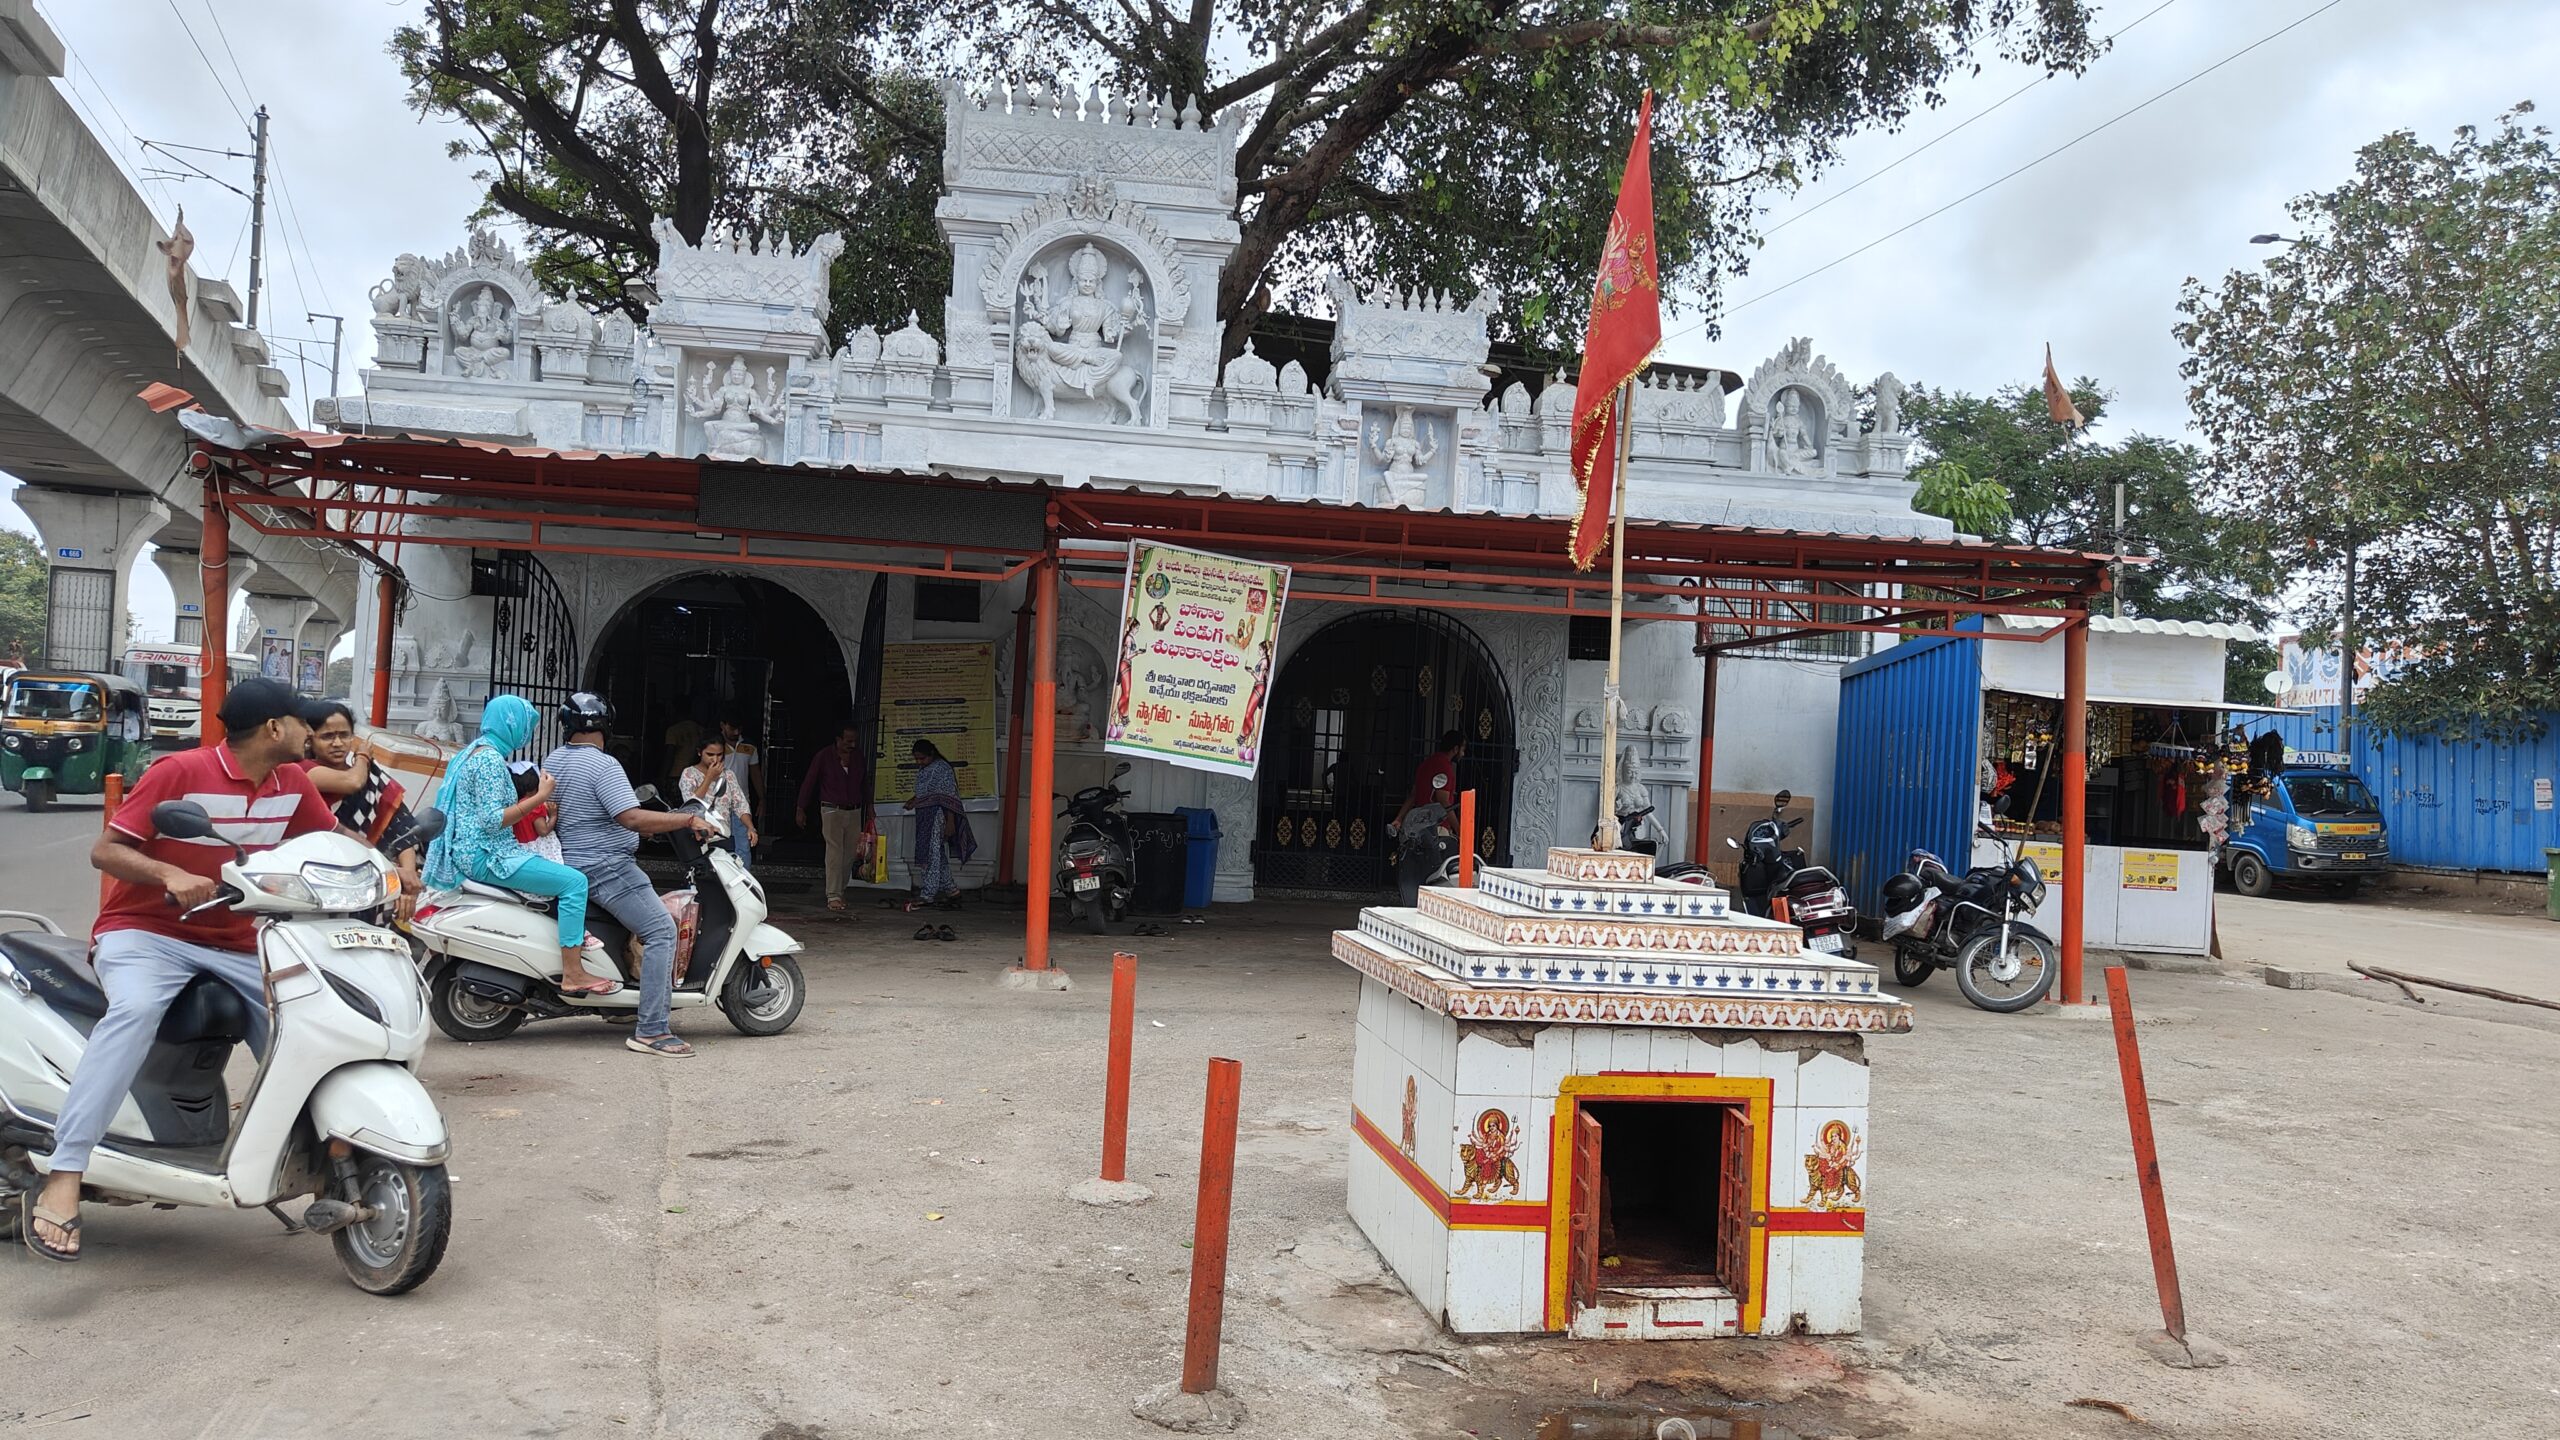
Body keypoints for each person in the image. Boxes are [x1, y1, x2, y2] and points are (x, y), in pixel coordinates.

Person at [28, 678, 343, 1262]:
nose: (314, 732)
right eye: (305, 722)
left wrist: (390, 868)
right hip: (149, 934)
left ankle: (334, 1156)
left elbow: (330, 841)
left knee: (311, 1025)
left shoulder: (292, 782)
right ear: (275, 728)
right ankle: (65, 1172)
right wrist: (170, 876)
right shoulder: (180, 771)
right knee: (136, 1011)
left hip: (245, 940)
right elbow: (107, 850)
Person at [545, 691, 718, 1059]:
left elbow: (588, 814)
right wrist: (687, 819)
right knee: (661, 930)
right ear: (606, 724)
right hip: (606, 867)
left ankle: (620, 1004)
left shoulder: (554, 760)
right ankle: (652, 1030)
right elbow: (631, 817)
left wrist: (643, 827)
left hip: (570, 863)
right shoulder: (604, 766)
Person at [422, 696, 618, 997]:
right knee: (574, 882)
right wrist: (541, 797)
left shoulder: (476, 752)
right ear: (510, 724)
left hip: (477, 850)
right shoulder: (489, 761)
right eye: (527, 726)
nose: (529, 733)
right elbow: (491, 821)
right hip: (487, 854)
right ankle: (573, 972)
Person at [302, 700, 425, 919]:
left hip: (377, 884)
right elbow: (352, 782)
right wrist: (363, 755)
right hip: (323, 883)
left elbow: (400, 828)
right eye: (327, 736)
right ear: (310, 740)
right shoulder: (304, 771)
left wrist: (407, 879)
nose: (338, 743)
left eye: (344, 735)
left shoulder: (370, 778)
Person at [797, 723, 873, 913]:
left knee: (849, 854)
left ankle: (840, 890)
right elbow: (810, 782)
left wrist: (869, 806)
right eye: (848, 741)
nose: (852, 744)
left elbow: (865, 782)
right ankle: (833, 895)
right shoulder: (824, 756)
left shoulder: (858, 757)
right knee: (834, 851)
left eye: (854, 740)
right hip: (831, 810)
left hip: (854, 810)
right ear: (838, 740)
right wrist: (801, 807)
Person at [905, 738, 974, 913]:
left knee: (930, 854)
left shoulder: (942, 768)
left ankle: (928, 894)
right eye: (917, 759)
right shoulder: (925, 769)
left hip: (938, 815)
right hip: (924, 815)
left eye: (922, 759)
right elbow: (926, 791)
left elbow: (948, 796)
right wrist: (914, 800)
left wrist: (950, 822)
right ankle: (952, 890)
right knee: (936, 854)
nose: (919, 762)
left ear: (931, 754)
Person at [680, 734, 757, 869]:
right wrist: (709, 777)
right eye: (710, 754)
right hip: (699, 838)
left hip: (722, 837)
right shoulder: (689, 774)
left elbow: (740, 805)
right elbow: (691, 804)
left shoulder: (729, 775)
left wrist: (750, 827)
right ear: (699, 752)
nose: (715, 759)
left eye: (719, 755)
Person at [1391, 729, 1467, 835]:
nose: (1463, 754)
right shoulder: (1444, 767)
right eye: (1462, 750)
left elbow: (1413, 795)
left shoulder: (1426, 764)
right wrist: (1459, 830)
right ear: (1455, 749)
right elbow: (1443, 801)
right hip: (1436, 827)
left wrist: (1399, 818)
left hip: (1418, 825)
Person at [718, 714, 765, 822]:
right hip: (718, 803)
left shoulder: (750, 746)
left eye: (739, 728)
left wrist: (762, 799)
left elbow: (755, 774)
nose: (736, 732)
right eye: (732, 728)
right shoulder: (714, 745)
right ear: (722, 725)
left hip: (742, 804)